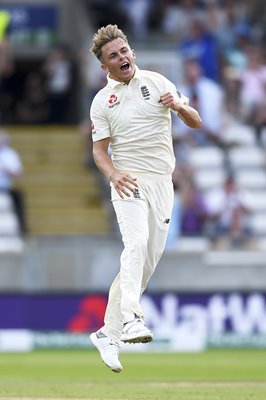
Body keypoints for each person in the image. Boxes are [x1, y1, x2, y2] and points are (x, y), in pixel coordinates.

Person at [89, 24, 201, 373]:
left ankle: (107, 334)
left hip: (162, 184)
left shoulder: (157, 82)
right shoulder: (102, 102)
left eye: (124, 51)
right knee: (135, 243)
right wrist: (113, 174)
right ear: (104, 66)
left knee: (147, 261)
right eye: (113, 56)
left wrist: (180, 107)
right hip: (129, 182)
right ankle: (133, 319)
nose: (121, 57)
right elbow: (99, 151)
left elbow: (196, 121)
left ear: (132, 52)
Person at [0, 129, 27, 234]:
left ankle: (22, 230)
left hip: (6, 189)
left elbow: (19, 175)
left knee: (19, 198)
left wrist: (8, 171)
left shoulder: (11, 154)